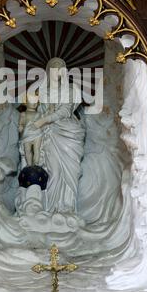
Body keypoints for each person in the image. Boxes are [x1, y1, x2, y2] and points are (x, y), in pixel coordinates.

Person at [33, 58, 85, 214]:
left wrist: (45, 119)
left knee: (71, 172)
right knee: (53, 171)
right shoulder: (42, 91)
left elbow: (65, 111)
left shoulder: (70, 90)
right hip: (50, 134)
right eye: (54, 68)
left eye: (60, 68)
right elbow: (37, 112)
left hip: (68, 134)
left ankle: (68, 207)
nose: (57, 71)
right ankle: (50, 209)